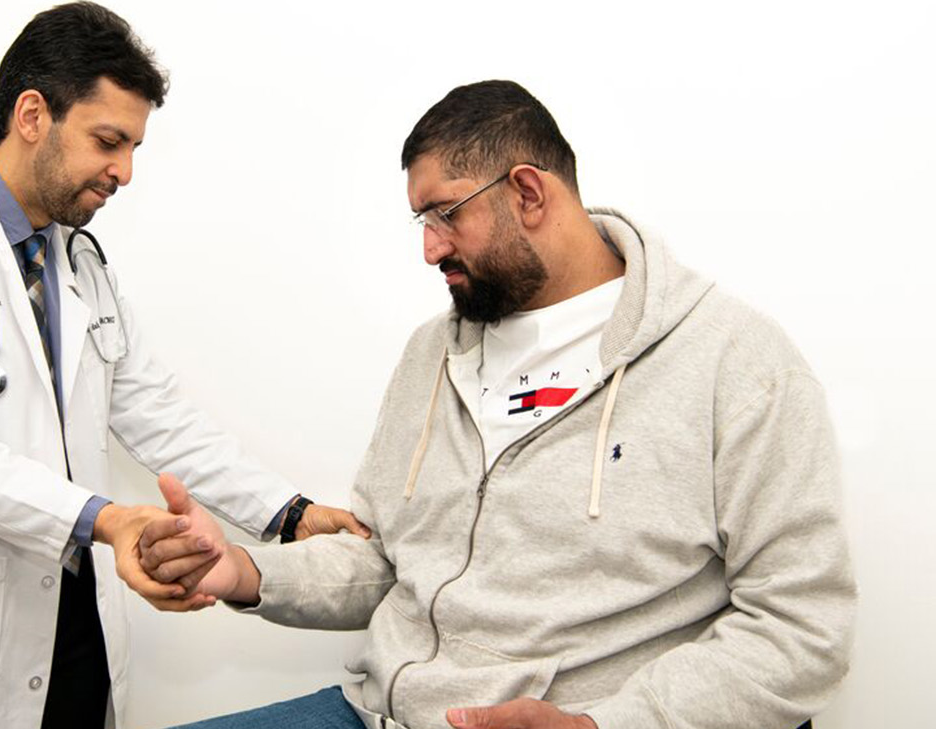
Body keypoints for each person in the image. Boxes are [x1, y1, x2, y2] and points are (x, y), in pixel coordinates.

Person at [140, 80, 856, 729]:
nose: (428, 248)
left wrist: (602, 725)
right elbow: (386, 558)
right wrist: (244, 570)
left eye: (444, 213)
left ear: (528, 193)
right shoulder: (434, 353)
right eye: (419, 219)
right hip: (375, 712)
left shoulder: (735, 361)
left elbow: (801, 626)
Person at [0, 4, 367, 729]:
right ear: (33, 114)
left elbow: (157, 414)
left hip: (62, 618)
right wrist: (112, 518)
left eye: (133, 147)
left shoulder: (82, 265)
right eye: (108, 141)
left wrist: (289, 513)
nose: (123, 170)